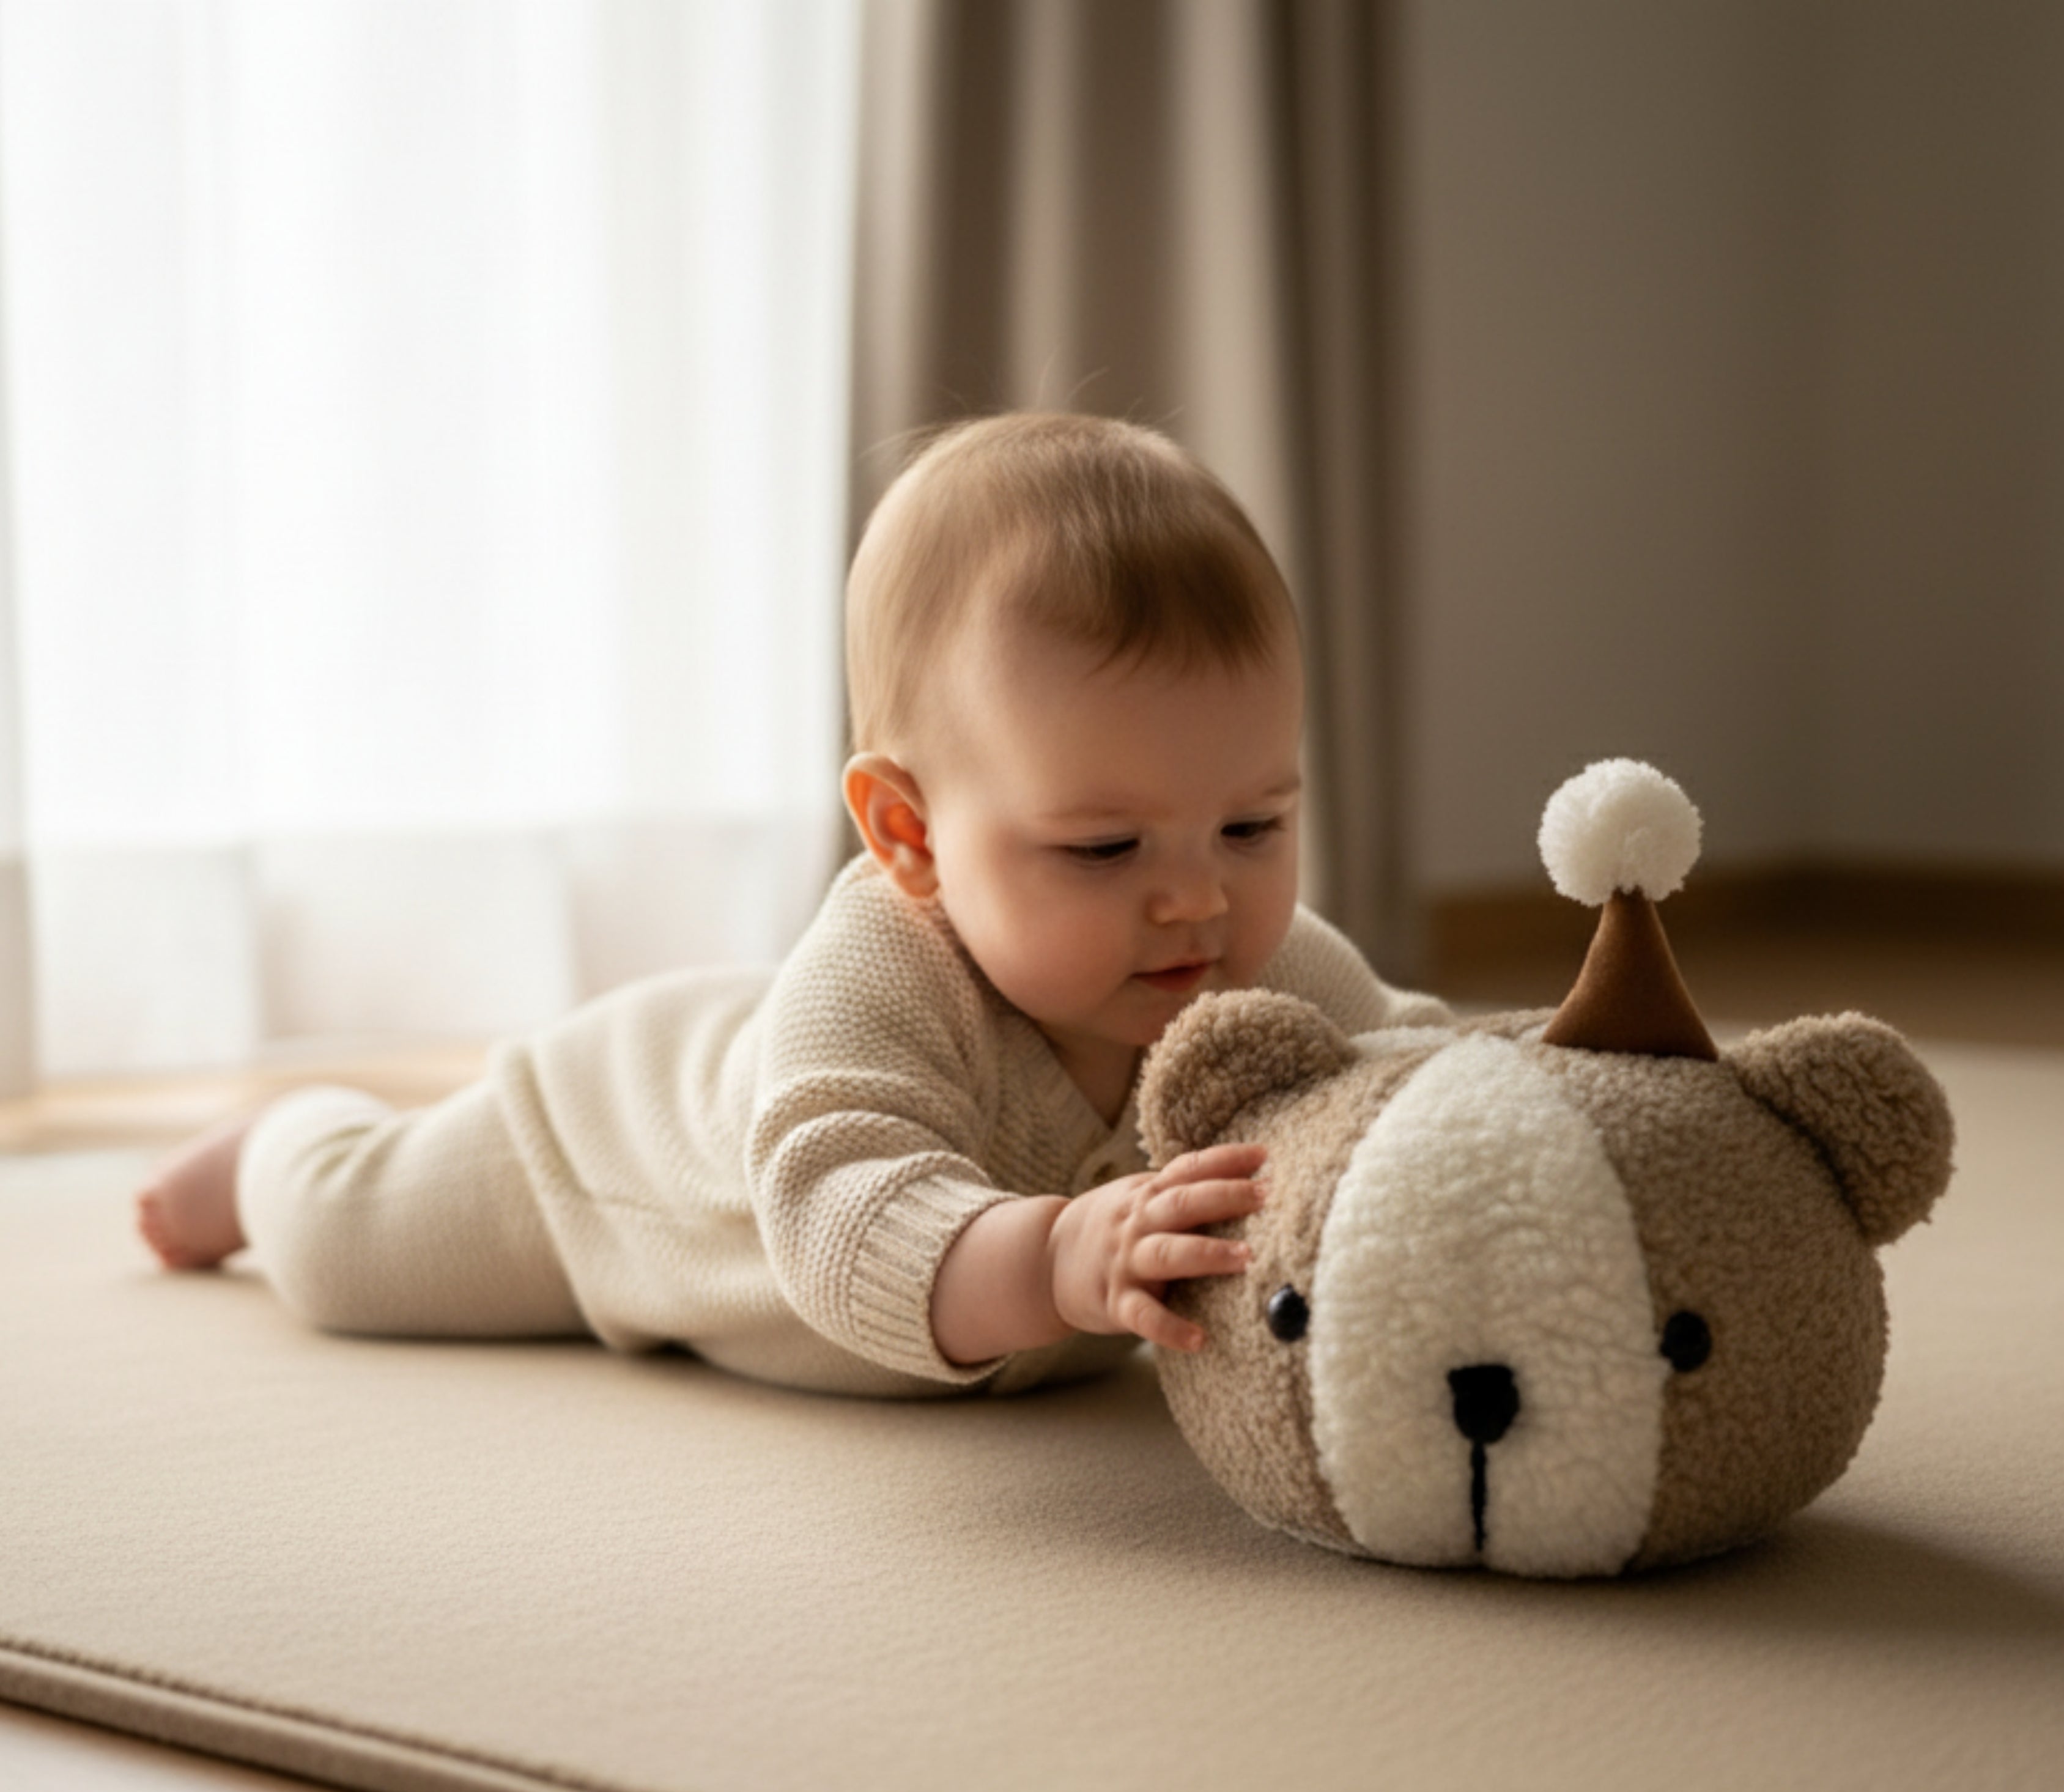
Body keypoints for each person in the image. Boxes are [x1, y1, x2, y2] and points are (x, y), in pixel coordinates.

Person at [136, 412, 1448, 1397]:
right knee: (348, 1247)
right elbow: (834, 1214)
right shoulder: (883, 974)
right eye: (1102, 846)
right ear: (907, 834)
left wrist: (1561, 1077)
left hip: (740, 1070)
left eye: (1251, 825)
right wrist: (1052, 1259)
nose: (1194, 898)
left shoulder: (1252, 966)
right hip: (617, 1154)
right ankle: (270, 1147)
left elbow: (1409, 1063)